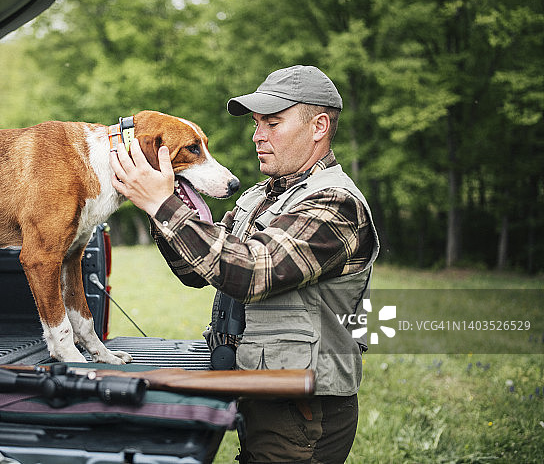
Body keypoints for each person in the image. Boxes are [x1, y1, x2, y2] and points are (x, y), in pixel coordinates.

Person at [109, 65, 379, 464]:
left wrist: (160, 204)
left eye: (272, 123)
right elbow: (197, 268)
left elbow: (250, 272)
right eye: (256, 124)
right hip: (262, 393)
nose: (257, 136)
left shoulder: (336, 203)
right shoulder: (262, 196)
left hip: (304, 412)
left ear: (319, 126)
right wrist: (159, 201)